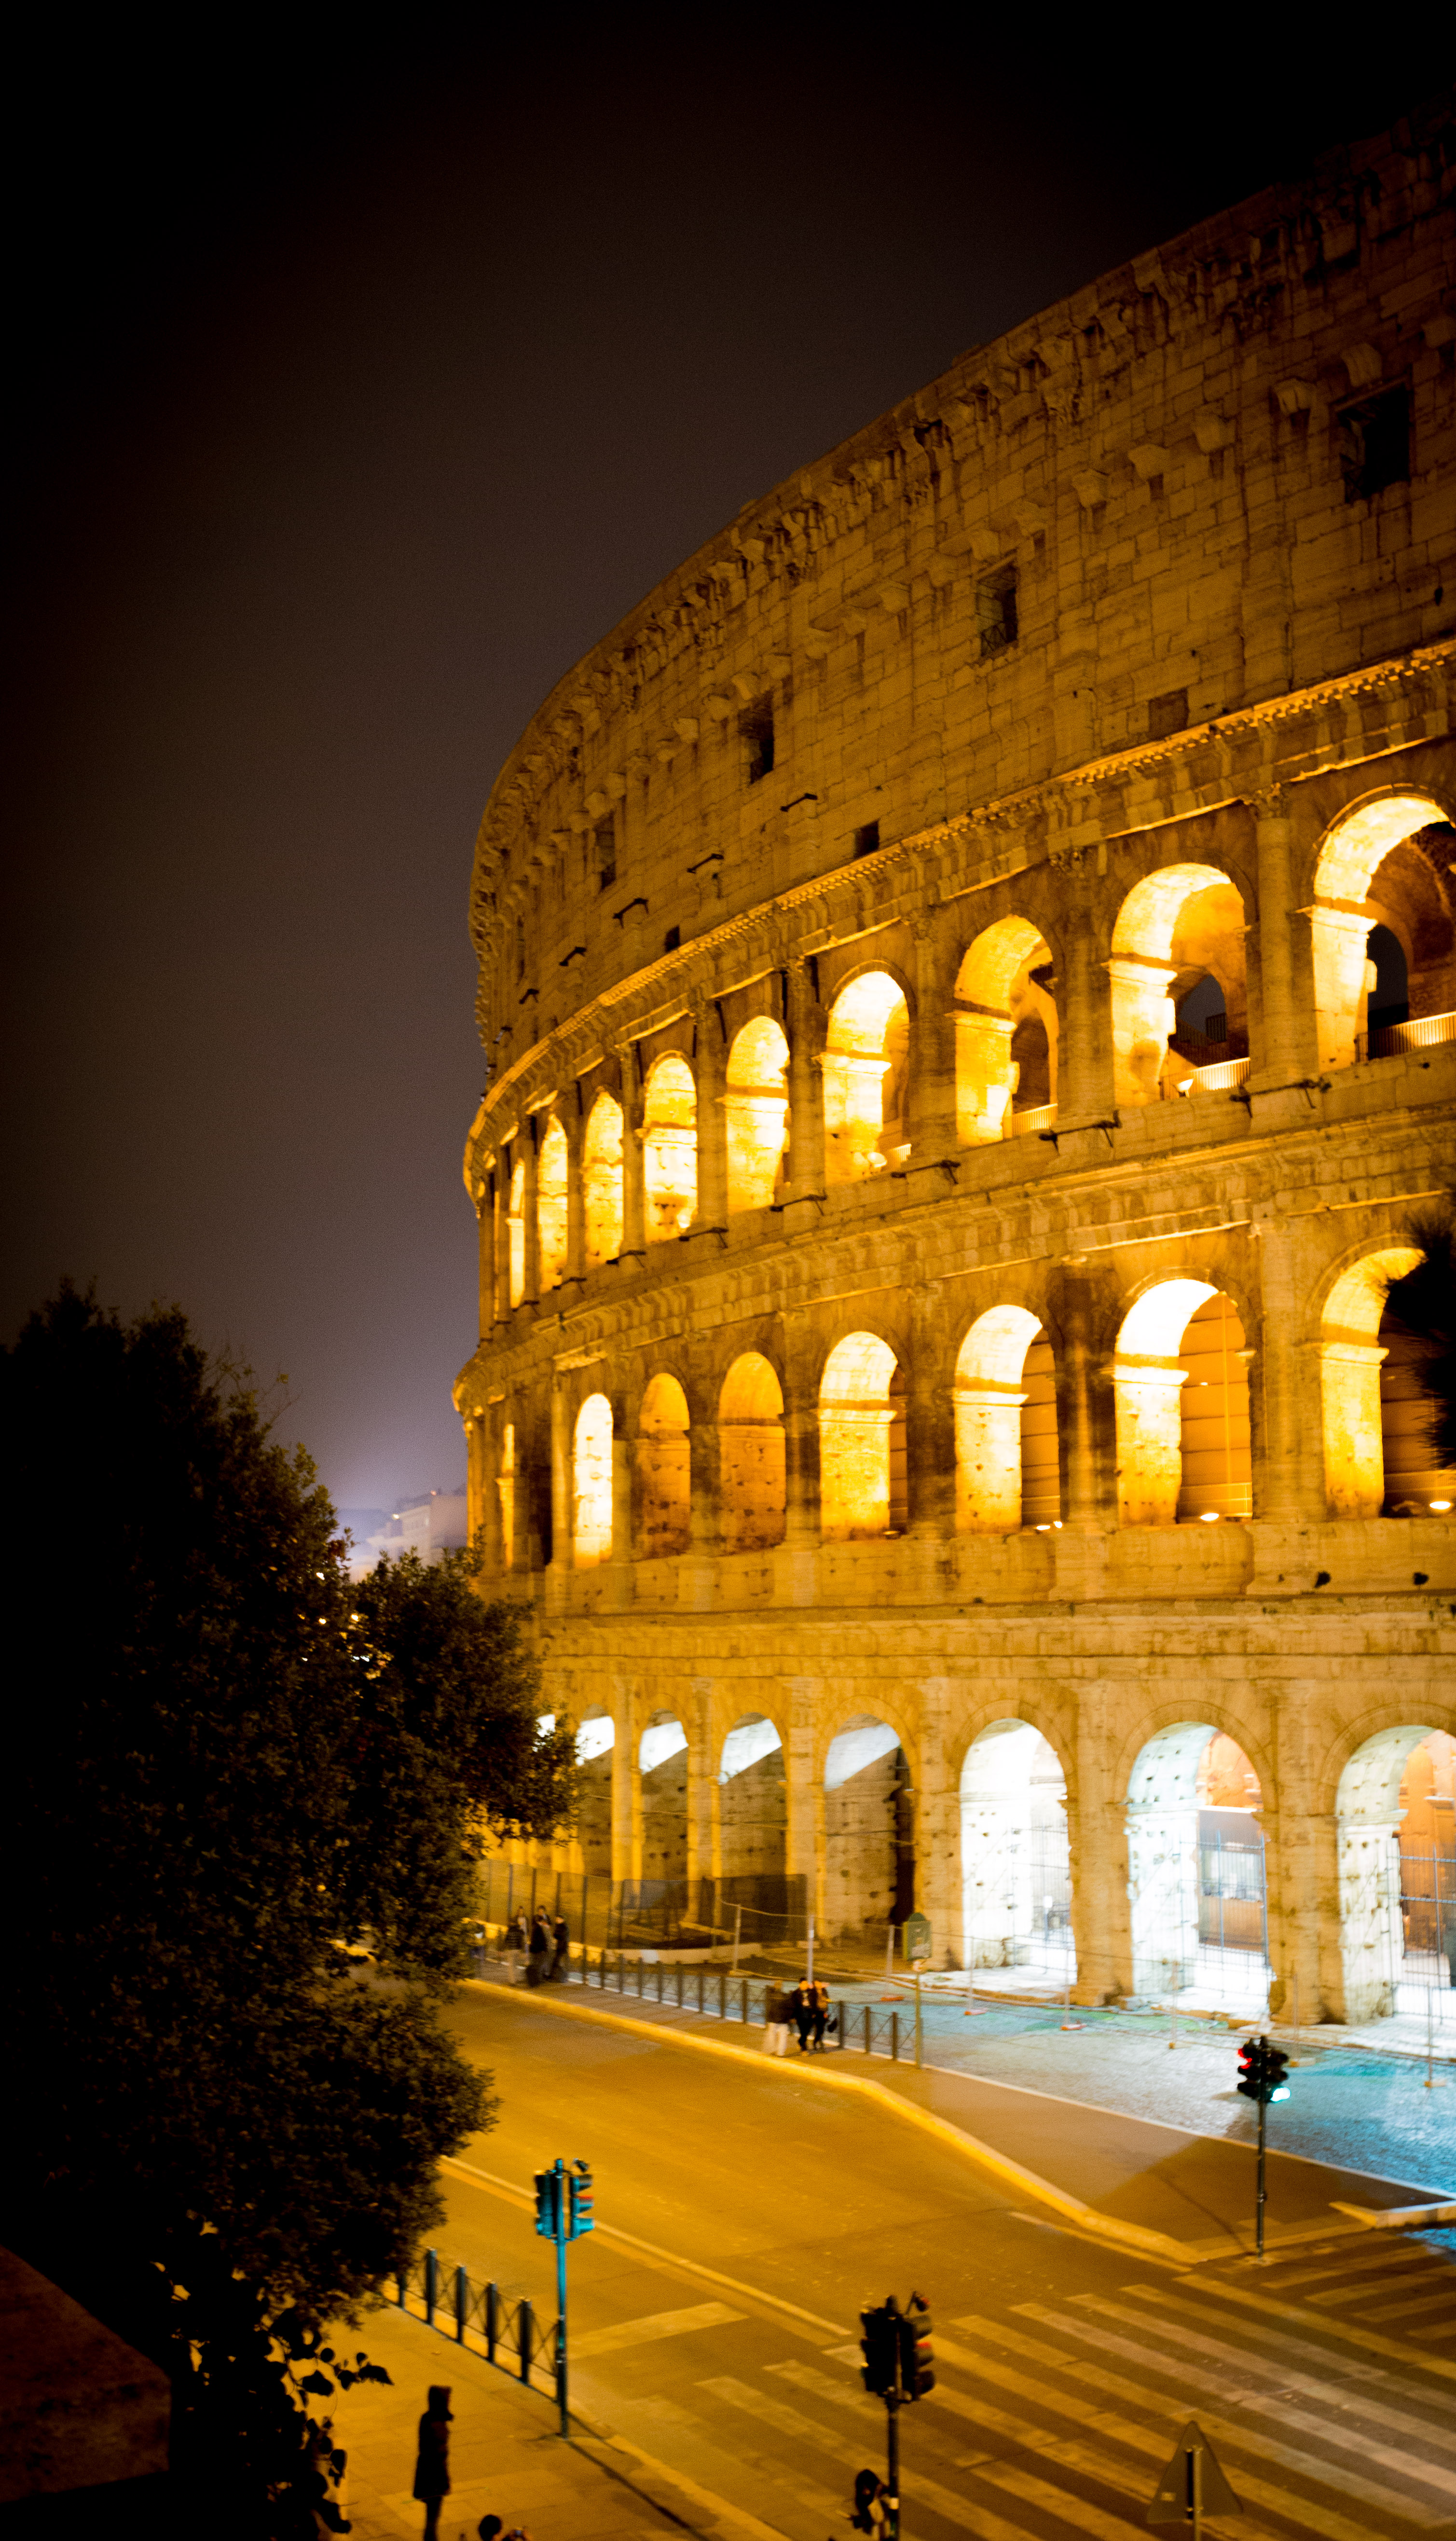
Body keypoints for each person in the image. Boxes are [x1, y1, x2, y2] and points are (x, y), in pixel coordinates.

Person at [412, 2386, 452, 2541]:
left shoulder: (427, 2418)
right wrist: (445, 2482)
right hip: (434, 2478)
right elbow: (439, 2456)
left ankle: (430, 2537)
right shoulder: (436, 2424)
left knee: (431, 2516)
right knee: (433, 2516)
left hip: (427, 2474)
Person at [763, 1984, 792, 2056]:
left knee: (772, 2034)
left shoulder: (770, 1996)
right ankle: (781, 2052)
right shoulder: (785, 1996)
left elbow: (768, 2007)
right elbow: (789, 2008)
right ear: (781, 1987)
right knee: (783, 2035)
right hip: (783, 2019)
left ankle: (772, 2049)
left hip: (773, 2019)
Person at [792, 1977, 816, 2053]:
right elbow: (793, 2005)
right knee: (803, 2032)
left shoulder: (811, 1992)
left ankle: (800, 2042)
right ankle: (804, 2050)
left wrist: (814, 2013)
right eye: (804, 1983)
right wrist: (793, 2017)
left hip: (809, 2015)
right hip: (800, 2015)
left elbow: (814, 2002)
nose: (806, 1985)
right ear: (800, 1984)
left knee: (807, 2031)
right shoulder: (795, 1993)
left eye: (807, 1983)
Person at [527, 1910, 551, 1986]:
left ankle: (535, 1979)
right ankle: (538, 1980)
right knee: (539, 1965)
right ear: (541, 1921)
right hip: (538, 1950)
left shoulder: (534, 1928)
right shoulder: (539, 1929)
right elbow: (542, 1940)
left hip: (534, 1949)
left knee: (536, 1964)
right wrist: (544, 1949)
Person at [810, 1977, 831, 2051]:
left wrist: (827, 2000)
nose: (817, 1984)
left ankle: (816, 2043)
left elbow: (827, 1999)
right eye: (815, 1983)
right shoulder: (813, 1992)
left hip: (823, 2012)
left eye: (818, 1983)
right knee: (817, 2029)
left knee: (821, 2030)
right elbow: (812, 2002)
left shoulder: (824, 1990)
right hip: (816, 2012)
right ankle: (820, 2046)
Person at [550, 1910, 570, 1981]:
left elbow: (561, 1936)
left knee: (557, 1962)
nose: (556, 1921)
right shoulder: (559, 1926)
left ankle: (555, 1977)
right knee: (557, 1962)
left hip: (562, 1947)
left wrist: (555, 1935)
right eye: (556, 1919)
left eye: (558, 1919)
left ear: (562, 1920)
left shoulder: (565, 1927)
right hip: (559, 1947)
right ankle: (558, 1976)